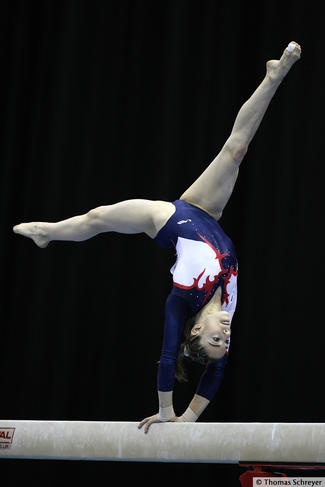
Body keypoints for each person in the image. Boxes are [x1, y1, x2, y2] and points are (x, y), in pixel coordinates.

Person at [13, 41, 301, 433]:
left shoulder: (181, 301)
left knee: (98, 216)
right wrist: (192, 418)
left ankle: (48, 232)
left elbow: (168, 355)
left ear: (197, 330)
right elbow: (215, 374)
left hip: (168, 219)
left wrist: (169, 412)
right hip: (206, 210)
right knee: (236, 149)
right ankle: (274, 75)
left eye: (216, 340)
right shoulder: (227, 312)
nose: (225, 337)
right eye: (224, 344)